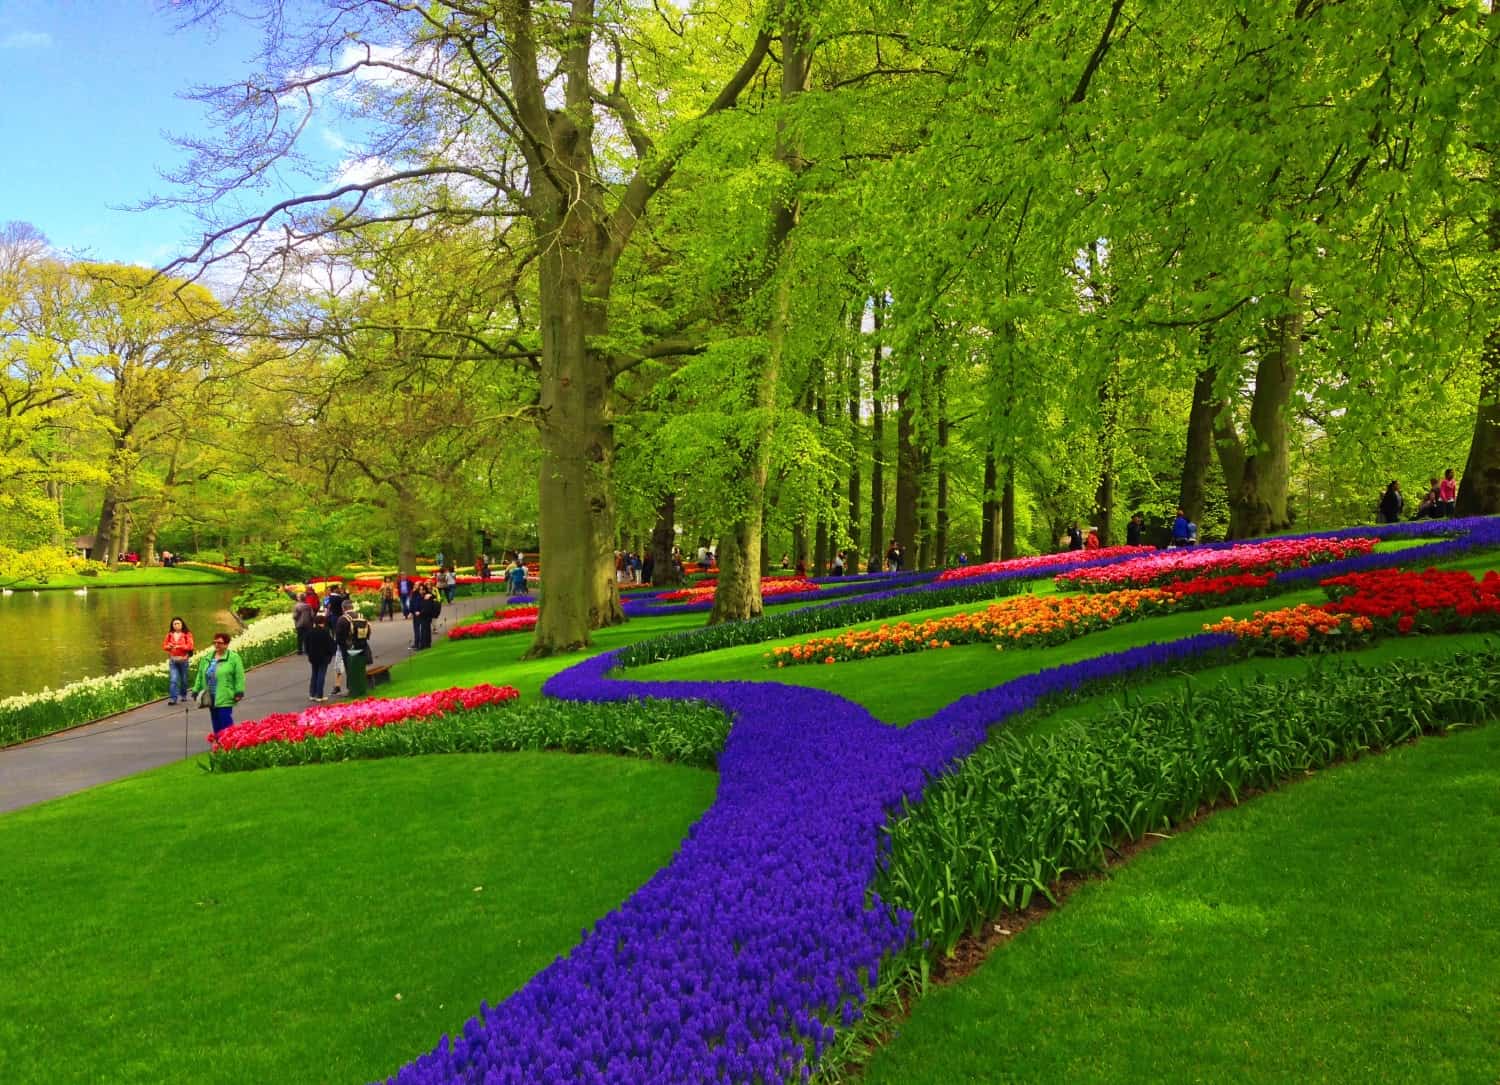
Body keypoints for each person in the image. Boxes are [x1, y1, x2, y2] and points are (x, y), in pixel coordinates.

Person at [190, 632, 245, 734]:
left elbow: (239, 676)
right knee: (215, 720)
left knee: (225, 721)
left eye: (219, 643)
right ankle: (219, 742)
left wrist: (239, 691)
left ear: (226, 644)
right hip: (210, 695)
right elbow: (200, 675)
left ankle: (230, 742)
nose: (216, 645)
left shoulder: (233, 658)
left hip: (225, 693)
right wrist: (196, 690)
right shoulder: (207, 658)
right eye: (214, 643)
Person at [304, 614, 338, 702]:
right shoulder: (325, 632)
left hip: (313, 656)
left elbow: (306, 646)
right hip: (323, 657)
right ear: (323, 622)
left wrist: (308, 653)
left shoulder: (310, 632)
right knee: (321, 675)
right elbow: (330, 645)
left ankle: (312, 694)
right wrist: (331, 653)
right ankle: (319, 695)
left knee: (314, 674)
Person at [162, 617, 194, 706]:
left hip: (183, 660)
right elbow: (164, 646)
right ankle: (173, 698)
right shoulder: (169, 634)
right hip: (173, 661)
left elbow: (190, 646)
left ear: (182, 624)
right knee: (173, 679)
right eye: (174, 624)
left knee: (184, 680)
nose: (176, 625)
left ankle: (183, 694)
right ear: (172, 625)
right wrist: (169, 646)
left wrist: (179, 646)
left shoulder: (187, 634)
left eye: (178, 623)